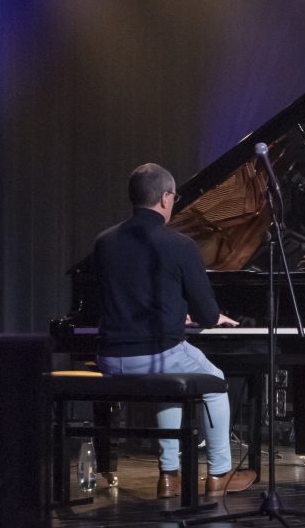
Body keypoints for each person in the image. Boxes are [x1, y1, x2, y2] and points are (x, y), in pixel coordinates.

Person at [93, 163, 255, 498]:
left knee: (172, 382)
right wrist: (206, 317)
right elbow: (207, 315)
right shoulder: (179, 244)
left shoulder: (104, 242)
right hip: (155, 354)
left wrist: (173, 313)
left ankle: (169, 476)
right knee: (216, 382)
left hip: (108, 358)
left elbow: (120, 299)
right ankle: (219, 473)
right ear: (166, 198)